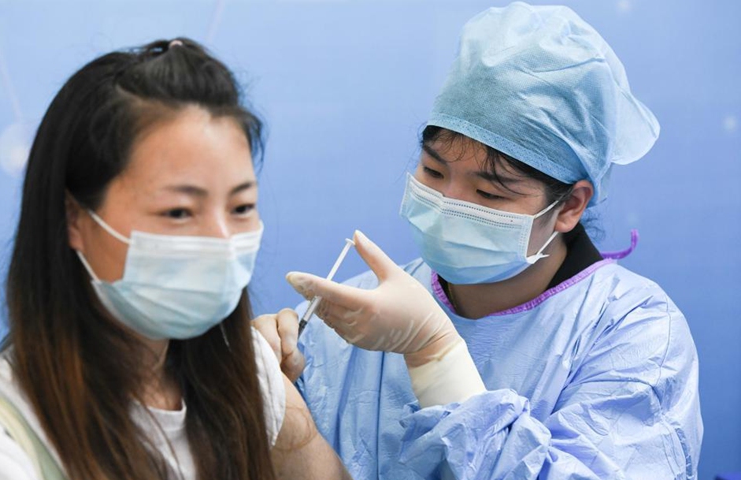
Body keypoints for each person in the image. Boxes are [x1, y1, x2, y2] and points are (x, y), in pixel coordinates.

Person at [254, 3, 702, 479]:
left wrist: (434, 355)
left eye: (489, 192)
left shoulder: (634, 335)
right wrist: (270, 394)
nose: (448, 203)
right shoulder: (357, 318)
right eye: (432, 171)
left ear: (570, 206)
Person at [0, 38, 350, 480]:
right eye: (178, 212)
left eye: (241, 207)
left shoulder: (247, 377)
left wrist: (431, 356)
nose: (220, 240)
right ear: (74, 219)